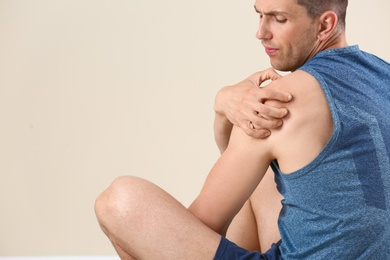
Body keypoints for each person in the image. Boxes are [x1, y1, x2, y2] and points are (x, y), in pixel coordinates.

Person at [95, 0, 390, 259]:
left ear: (325, 24)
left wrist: (222, 101)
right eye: (259, 15)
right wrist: (223, 105)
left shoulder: (278, 102)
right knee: (260, 177)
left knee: (118, 200)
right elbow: (235, 161)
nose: (261, 32)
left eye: (279, 18)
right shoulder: (383, 76)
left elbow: (197, 229)